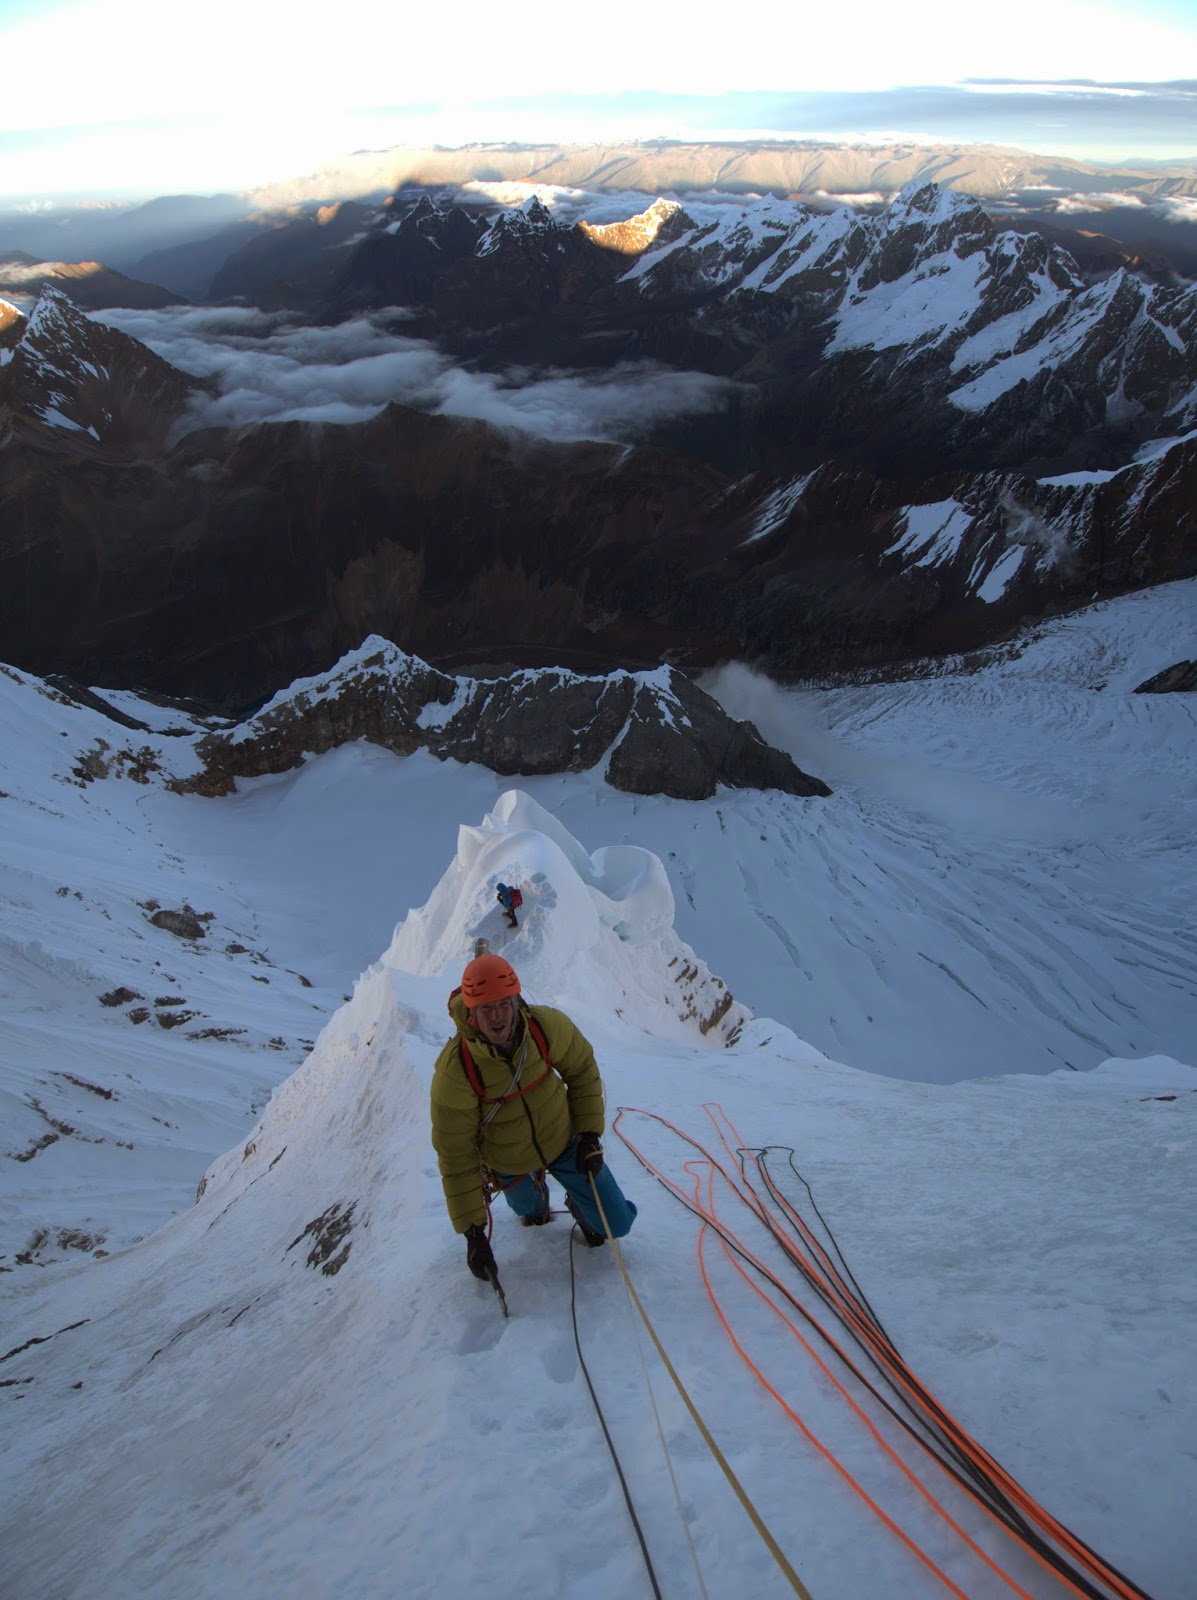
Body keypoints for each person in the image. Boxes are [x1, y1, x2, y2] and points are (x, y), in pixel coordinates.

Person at [430, 954, 637, 1283]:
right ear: (471, 1013)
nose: (497, 1016)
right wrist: (473, 1234)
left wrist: (587, 1136)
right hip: (506, 1157)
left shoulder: (545, 1027)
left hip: (563, 1139)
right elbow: (456, 1153)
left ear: (516, 1001)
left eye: (503, 1004)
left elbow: (581, 1070)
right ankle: (535, 1202)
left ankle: (578, 1205)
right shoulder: (456, 1072)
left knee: (618, 1224)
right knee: (529, 1211)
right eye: (486, 1008)